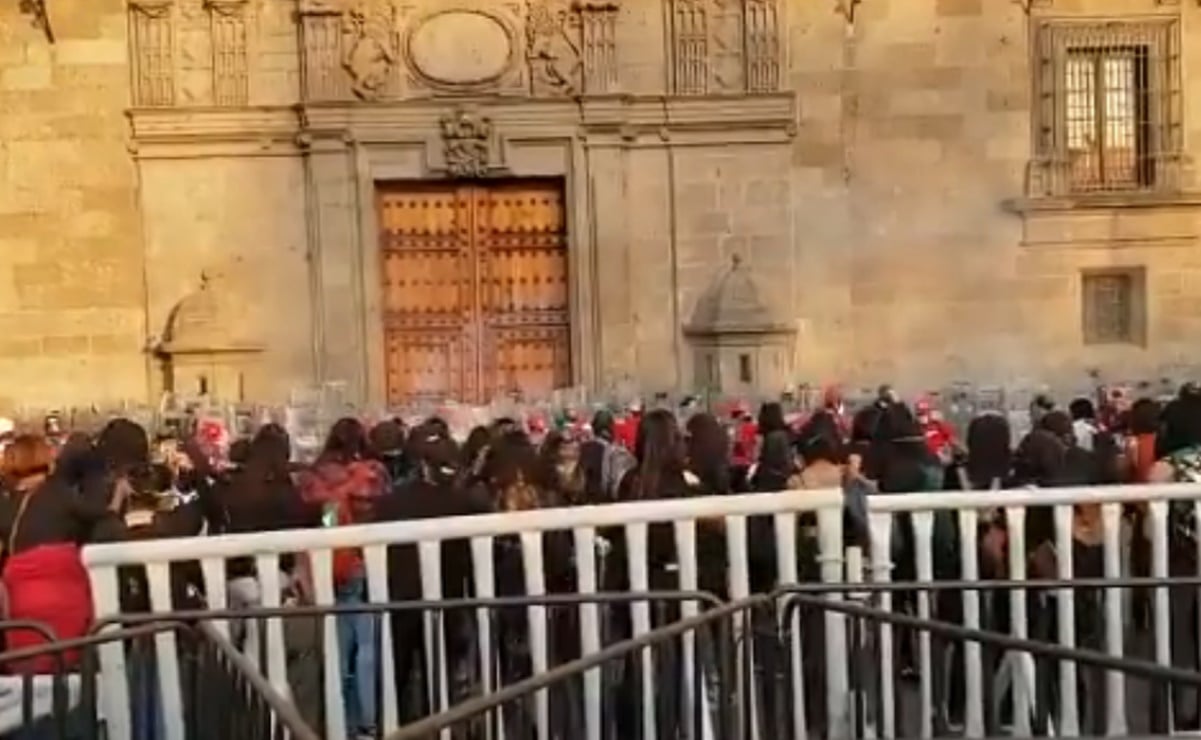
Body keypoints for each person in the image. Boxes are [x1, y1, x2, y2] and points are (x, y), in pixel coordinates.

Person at [0, 434, 125, 673]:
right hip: (62, 590)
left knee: (29, 665)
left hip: (19, 596)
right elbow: (102, 515)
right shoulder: (59, 494)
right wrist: (119, 493)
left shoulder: (6, 503)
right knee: (65, 662)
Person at [298, 418, 388, 740]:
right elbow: (383, 510)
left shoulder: (315, 476)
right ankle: (367, 721)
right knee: (366, 645)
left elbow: (311, 518)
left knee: (336, 645)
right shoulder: (372, 474)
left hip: (328, 562)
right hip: (362, 561)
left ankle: (338, 721)